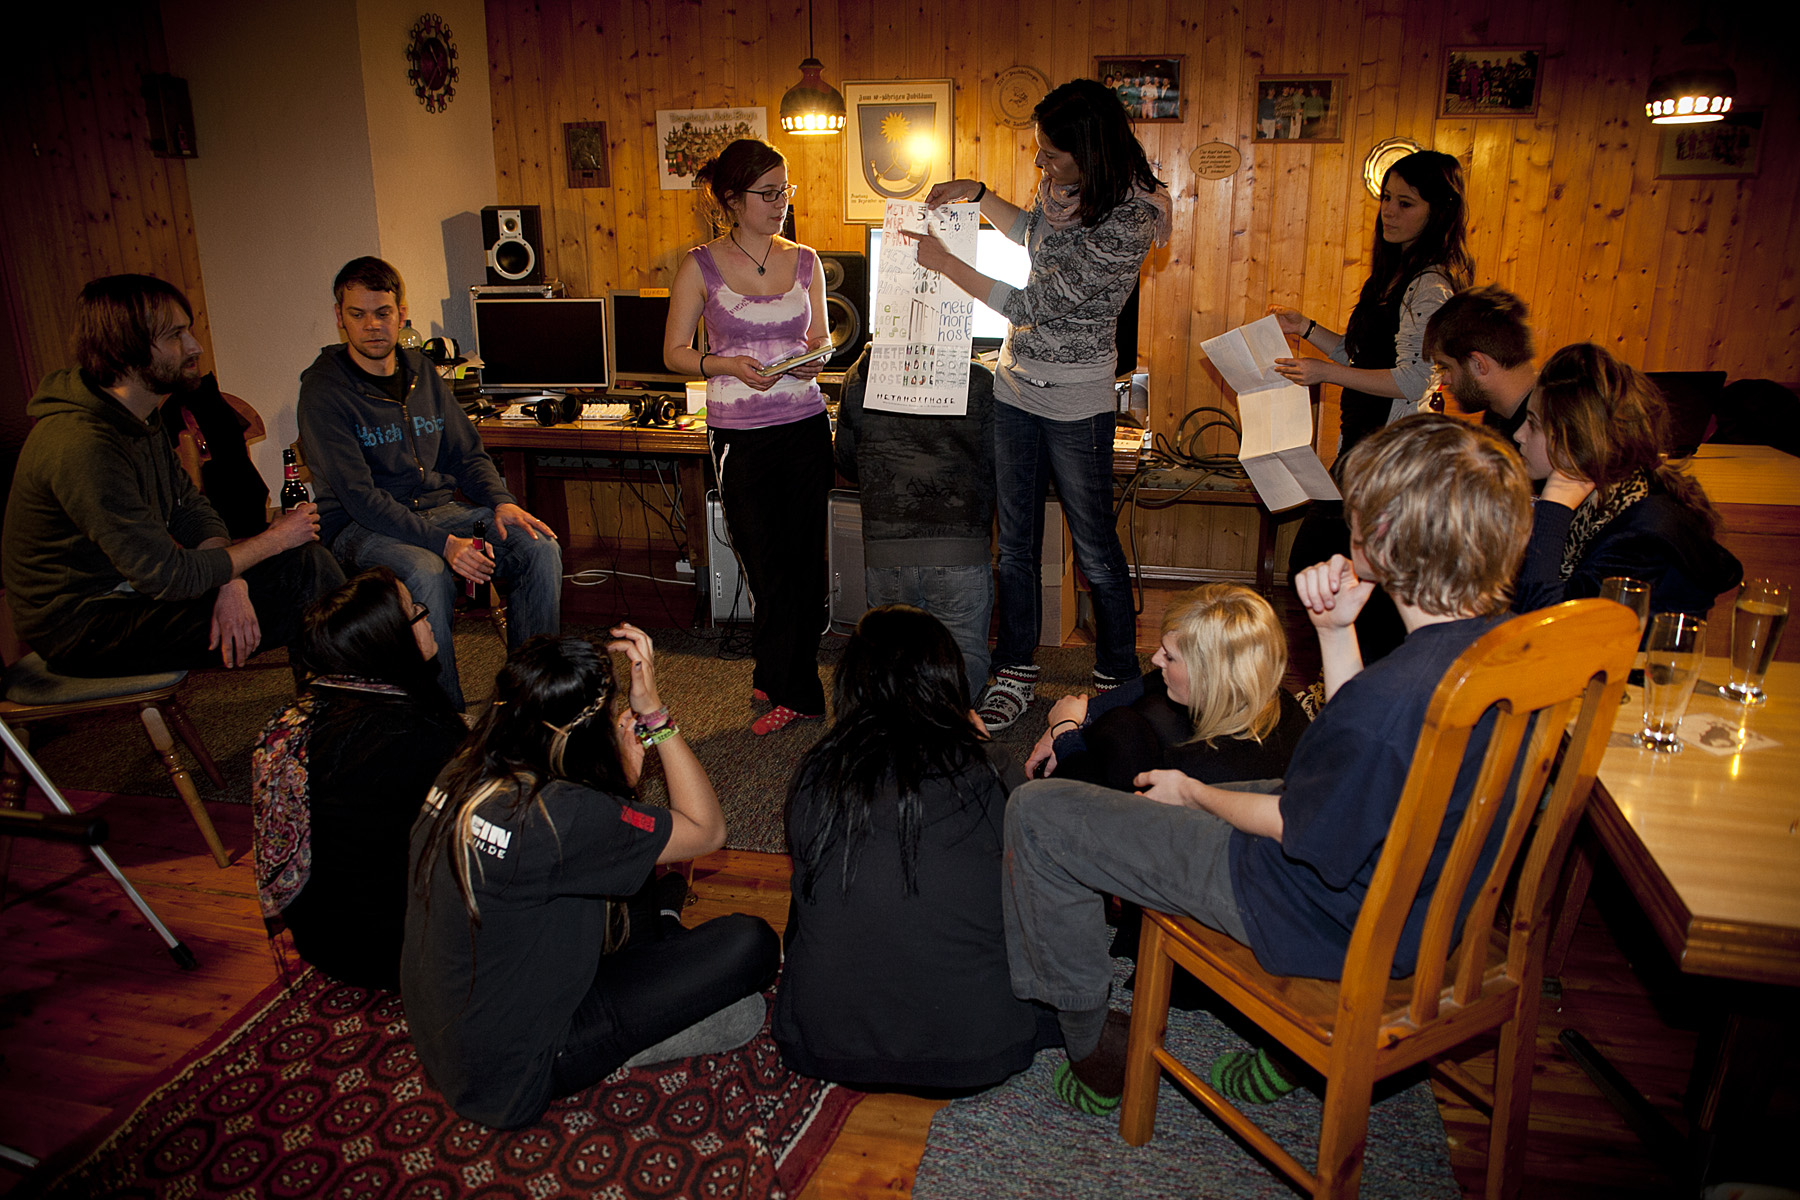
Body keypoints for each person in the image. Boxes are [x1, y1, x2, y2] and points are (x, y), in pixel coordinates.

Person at [1002, 415, 1535, 1116]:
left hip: (1318, 914)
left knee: (1036, 815)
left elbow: (1303, 825)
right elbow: (1359, 761)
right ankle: (1283, 1051)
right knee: (1181, 795)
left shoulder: (1391, 699)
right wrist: (1337, 632)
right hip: (1422, 903)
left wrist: (1194, 793)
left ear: (1382, 536)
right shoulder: (1500, 655)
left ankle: (1092, 1049)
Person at [402, 629, 780, 1129]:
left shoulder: (464, 767)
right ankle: (650, 997)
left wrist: (619, 783)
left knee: (636, 866)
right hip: (517, 1073)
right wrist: (656, 717)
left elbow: (570, 841)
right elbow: (707, 829)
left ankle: (664, 933)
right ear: (579, 732)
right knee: (751, 947)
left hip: (456, 1032)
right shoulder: (562, 816)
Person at [912, 79, 1173, 731]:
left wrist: (947, 265)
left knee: (1095, 550)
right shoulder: (1060, 190)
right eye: (1040, 151)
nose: (1041, 163)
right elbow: (1033, 236)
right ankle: (1015, 670)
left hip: (1078, 401)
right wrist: (979, 194)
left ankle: (1117, 677)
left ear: (1092, 151)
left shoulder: (1132, 218)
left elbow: (1035, 304)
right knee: (1015, 547)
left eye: (1052, 154)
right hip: (1016, 390)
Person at [3, 274, 342, 677]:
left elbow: (190, 509)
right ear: (125, 350)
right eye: (175, 335)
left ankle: (333, 702)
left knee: (306, 563)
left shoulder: (138, 417)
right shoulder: (83, 444)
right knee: (303, 576)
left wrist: (230, 578)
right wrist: (274, 540)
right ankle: (341, 705)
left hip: (130, 593)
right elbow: (168, 576)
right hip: (84, 627)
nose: (194, 346)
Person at [775, 605, 1056, 1092]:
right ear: (948, 681)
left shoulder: (817, 770)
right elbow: (1041, 887)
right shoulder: (988, 767)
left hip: (822, 1046)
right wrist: (983, 747)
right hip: (978, 1052)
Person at [297, 256, 563, 710]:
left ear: (401, 314)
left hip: (439, 512)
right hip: (359, 528)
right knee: (427, 571)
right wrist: (445, 544)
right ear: (340, 317)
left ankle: (531, 703)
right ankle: (443, 720)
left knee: (537, 545)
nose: (372, 325)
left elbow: (467, 455)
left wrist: (501, 501)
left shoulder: (422, 372)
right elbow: (359, 498)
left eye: (383, 312)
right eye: (358, 314)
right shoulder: (323, 389)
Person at [663, 139, 833, 736]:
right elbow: (675, 353)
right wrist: (726, 365)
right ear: (732, 200)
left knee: (802, 564)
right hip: (740, 436)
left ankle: (799, 694)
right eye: (768, 193)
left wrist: (814, 360)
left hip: (805, 427)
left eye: (786, 190)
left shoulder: (806, 260)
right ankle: (774, 669)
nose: (781, 202)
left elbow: (820, 340)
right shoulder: (700, 266)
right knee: (764, 563)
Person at [251, 567, 466, 990]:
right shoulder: (420, 735)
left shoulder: (288, 722)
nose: (427, 617)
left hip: (322, 941)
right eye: (415, 611)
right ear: (390, 640)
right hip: (403, 951)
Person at [1512, 343, 1741, 617]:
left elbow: (1546, 623)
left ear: (1575, 440)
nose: (1518, 435)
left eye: (1533, 424)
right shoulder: (1599, 504)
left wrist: (1553, 510)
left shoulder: (1642, 538)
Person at [1270, 150, 1474, 457]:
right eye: (1386, 198)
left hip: (1395, 452)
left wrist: (1325, 373)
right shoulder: (1390, 274)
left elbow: (1414, 380)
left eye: (1405, 203)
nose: (1388, 211)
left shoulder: (1431, 285)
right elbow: (1361, 359)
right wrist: (1304, 327)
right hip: (1361, 440)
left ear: (1438, 212)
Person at [1022, 584, 1310, 793]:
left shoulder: (1199, 772)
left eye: (1170, 656)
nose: (1155, 659)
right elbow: (1149, 682)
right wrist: (1084, 713)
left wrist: (1065, 730)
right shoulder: (1278, 700)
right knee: (1138, 710)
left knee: (1117, 734)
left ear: (1208, 677)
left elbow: (1109, 815)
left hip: (1162, 832)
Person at [833, 346, 997, 693]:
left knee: (892, 665)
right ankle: (949, 724)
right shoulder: (981, 382)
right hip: (959, 549)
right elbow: (1002, 462)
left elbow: (847, 461)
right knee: (962, 660)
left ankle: (903, 728)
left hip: (886, 552)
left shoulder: (859, 377)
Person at [1422, 284, 1537, 441]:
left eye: (1446, 367)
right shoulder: (1497, 416)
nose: (1444, 379)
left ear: (1479, 364)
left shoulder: (1548, 435)